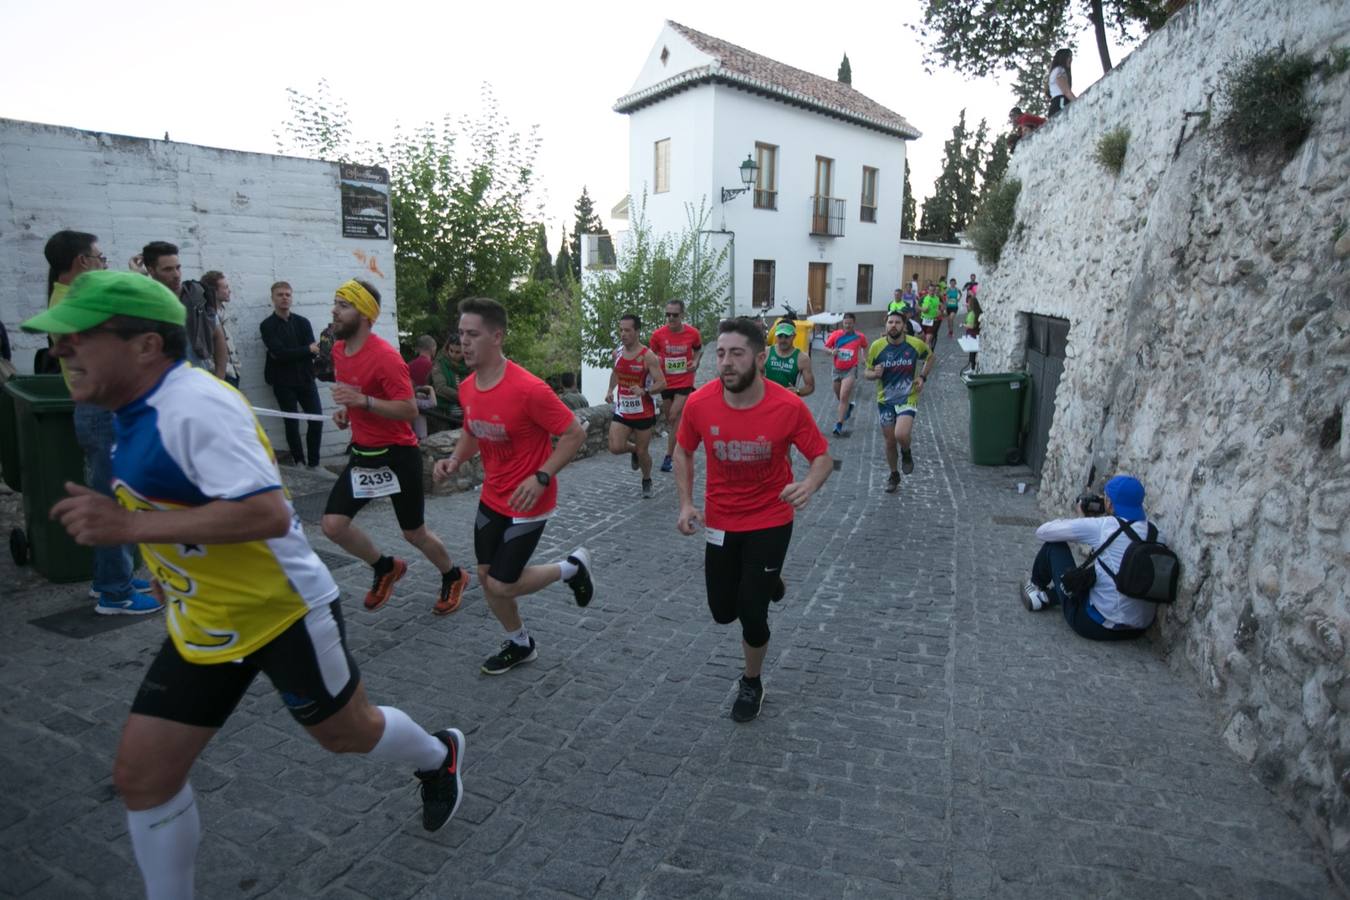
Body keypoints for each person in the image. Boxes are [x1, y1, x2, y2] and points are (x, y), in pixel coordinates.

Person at [25, 270, 467, 899]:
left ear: (146, 346)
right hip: (204, 624)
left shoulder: (195, 406)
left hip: (281, 612)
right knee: (142, 777)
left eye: (80, 337)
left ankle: (436, 754)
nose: (62, 348)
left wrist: (126, 526)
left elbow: (268, 513)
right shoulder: (129, 406)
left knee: (348, 733)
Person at [674, 318, 833, 722]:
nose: (725, 362)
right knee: (722, 610)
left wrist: (809, 485)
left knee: (750, 610)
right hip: (722, 520)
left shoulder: (787, 406)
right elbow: (683, 451)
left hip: (770, 518)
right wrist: (686, 503)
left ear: (760, 358)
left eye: (736, 354)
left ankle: (752, 680)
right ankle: (769, 579)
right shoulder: (699, 403)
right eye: (721, 354)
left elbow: (822, 457)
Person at [432, 297, 595, 675]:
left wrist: (542, 477)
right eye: (461, 334)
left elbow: (573, 434)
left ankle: (571, 568)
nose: (464, 342)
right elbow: (473, 431)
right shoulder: (469, 386)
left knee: (502, 585)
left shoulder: (529, 389)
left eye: (473, 334)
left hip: (529, 500)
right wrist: (455, 459)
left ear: (497, 337)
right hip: (492, 497)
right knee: (488, 580)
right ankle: (521, 643)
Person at [321, 279, 469, 617]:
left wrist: (363, 401)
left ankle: (454, 575)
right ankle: (385, 566)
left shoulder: (386, 358)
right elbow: (356, 398)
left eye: (344, 305)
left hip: (398, 455)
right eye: (335, 301)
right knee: (333, 525)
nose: (334, 309)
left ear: (365, 315)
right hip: (364, 454)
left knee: (413, 532)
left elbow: (409, 409)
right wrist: (348, 411)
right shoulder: (339, 351)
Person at [43, 231, 160, 615]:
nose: (103, 263)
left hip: (101, 410)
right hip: (102, 412)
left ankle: (110, 579)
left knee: (118, 495)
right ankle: (116, 592)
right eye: (99, 257)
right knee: (113, 501)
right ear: (81, 262)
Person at [1022, 475, 1158, 640]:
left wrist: (1082, 519)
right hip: (1138, 628)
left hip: (1094, 625)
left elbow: (1043, 532)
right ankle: (1048, 597)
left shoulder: (1104, 526)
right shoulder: (1156, 533)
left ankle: (1036, 588)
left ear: (1108, 503)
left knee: (1055, 547)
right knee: (1103, 571)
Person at [864, 311, 935, 493]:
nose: (893, 325)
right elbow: (867, 372)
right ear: (886, 325)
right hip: (885, 400)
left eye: (897, 322)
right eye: (890, 322)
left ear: (904, 326)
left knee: (901, 434)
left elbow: (930, 357)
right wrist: (875, 374)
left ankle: (906, 451)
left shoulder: (914, 344)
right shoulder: (876, 347)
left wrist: (922, 377)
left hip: (907, 397)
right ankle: (894, 474)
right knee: (889, 441)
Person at [258, 282, 323, 469]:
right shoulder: (267, 325)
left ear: (292, 297)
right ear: (273, 298)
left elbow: (313, 351)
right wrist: (305, 350)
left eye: (287, 294)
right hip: (282, 381)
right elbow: (279, 353)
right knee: (291, 423)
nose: (284, 297)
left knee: (316, 419)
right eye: (280, 294)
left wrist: (297, 352)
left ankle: (314, 463)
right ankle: (299, 461)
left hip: (305, 378)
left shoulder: (303, 322)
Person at [605, 313, 666, 499]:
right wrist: (610, 390)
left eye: (627, 330)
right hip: (623, 409)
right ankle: (633, 451)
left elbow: (662, 383)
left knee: (643, 452)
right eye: (621, 330)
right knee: (615, 447)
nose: (623, 334)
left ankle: (646, 479)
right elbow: (616, 373)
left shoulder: (648, 357)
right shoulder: (618, 353)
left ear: (637, 331)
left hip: (643, 412)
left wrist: (645, 391)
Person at [135, 242, 220, 372]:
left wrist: (220, 379)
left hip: (200, 380)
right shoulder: (146, 301)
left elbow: (218, 337)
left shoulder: (195, 294)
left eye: (178, 267)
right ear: (151, 270)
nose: (176, 275)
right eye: (168, 269)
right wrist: (139, 278)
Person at [649, 299, 703, 473]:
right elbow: (652, 356)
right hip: (666, 383)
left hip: (684, 381)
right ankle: (685, 441)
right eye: (668, 315)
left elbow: (698, 349)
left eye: (675, 315)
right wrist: (656, 362)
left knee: (673, 415)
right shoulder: (657, 335)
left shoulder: (693, 333)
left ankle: (669, 457)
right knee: (671, 421)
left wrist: (695, 362)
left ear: (682, 315)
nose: (671, 318)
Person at [824, 312, 867, 436]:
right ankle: (848, 406)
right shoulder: (836, 335)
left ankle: (839, 424)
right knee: (839, 396)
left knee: (843, 396)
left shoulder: (859, 336)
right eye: (845, 323)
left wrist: (864, 358)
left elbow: (864, 346)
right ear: (843, 323)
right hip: (837, 370)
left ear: (854, 323)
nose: (847, 326)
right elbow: (825, 348)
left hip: (850, 370)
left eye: (850, 324)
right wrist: (832, 352)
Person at [200, 271, 239, 387]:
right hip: (218, 375)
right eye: (225, 287)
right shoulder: (204, 317)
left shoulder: (222, 312)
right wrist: (218, 374)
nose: (229, 290)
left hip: (233, 372)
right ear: (214, 291)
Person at [428, 332, 469, 431]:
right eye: (451, 350)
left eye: (458, 352)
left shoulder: (470, 364)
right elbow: (440, 388)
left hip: (466, 412)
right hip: (442, 412)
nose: (453, 355)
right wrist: (463, 398)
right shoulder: (439, 364)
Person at [763, 321, 815, 397]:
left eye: (787, 336)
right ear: (776, 336)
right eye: (780, 336)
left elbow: (810, 386)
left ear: (794, 336)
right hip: (767, 399)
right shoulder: (766, 352)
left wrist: (798, 391)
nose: (783, 340)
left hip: (787, 401)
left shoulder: (802, 358)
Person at [408, 335, 437, 440]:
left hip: (410, 405)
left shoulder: (409, 365)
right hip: (427, 408)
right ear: (433, 348)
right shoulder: (433, 366)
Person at [1047, 48, 1075, 116]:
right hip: (1061, 103)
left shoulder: (1054, 71)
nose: (1071, 59)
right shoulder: (1060, 70)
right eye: (1069, 56)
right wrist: (1078, 102)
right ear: (1063, 57)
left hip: (1055, 104)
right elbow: (1066, 91)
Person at [962, 295, 982, 374]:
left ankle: (973, 369)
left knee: (972, 352)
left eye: (969, 303)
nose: (968, 304)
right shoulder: (978, 312)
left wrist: (963, 325)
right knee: (974, 353)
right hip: (977, 335)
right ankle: (974, 368)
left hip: (972, 334)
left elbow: (971, 326)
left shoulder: (972, 314)